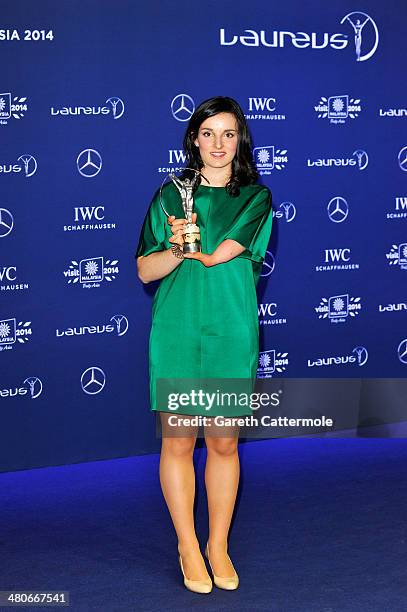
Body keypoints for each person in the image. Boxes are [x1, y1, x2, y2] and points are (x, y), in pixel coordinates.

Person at [135, 96, 273, 593]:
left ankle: (218, 544)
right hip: (176, 328)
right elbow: (145, 270)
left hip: (229, 329)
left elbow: (216, 256)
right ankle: (188, 545)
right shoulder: (169, 195)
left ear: (241, 141)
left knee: (223, 442)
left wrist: (193, 242)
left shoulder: (255, 198)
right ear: (194, 139)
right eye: (208, 133)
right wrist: (174, 247)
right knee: (178, 441)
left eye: (228, 134)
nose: (218, 144)